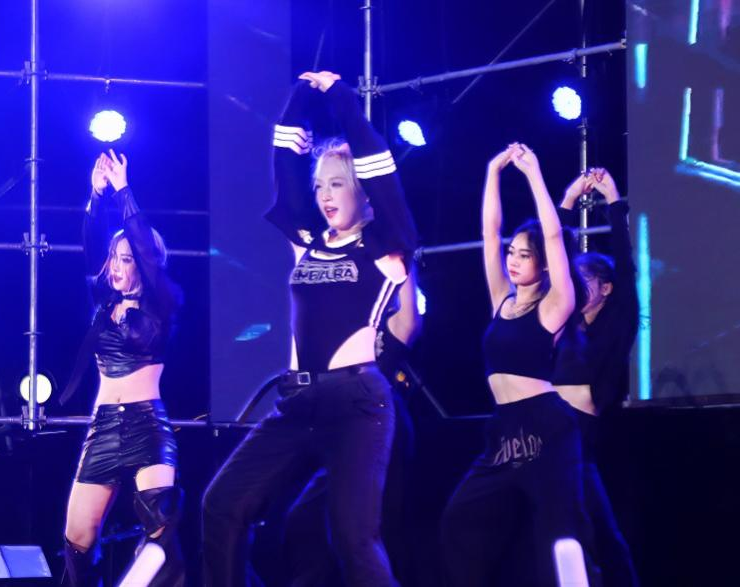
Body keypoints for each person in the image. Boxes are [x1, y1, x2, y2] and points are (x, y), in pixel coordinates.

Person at [201, 70, 417, 587]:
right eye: (320, 185)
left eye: (337, 183)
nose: (324, 195)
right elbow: (285, 166)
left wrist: (341, 99)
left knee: (353, 538)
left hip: (357, 405)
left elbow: (382, 172)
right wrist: (298, 100)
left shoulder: (386, 245)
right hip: (297, 403)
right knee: (222, 504)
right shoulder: (308, 242)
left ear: (361, 190)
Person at [440, 143, 598, 586]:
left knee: (562, 540)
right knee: (459, 518)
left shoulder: (554, 305)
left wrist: (533, 174)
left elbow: (554, 236)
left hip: (547, 429)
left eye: (523, 255)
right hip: (503, 431)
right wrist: (493, 171)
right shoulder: (501, 300)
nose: (512, 259)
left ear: (544, 265)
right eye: (513, 253)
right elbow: (490, 234)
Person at [61, 151, 184, 587]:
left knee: (160, 527)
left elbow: (144, 247)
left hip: (147, 426)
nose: (116, 266)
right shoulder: (104, 301)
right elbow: (91, 244)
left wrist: (123, 192)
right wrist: (97, 196)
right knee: (77, 538)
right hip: (103, 429)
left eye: (126, 259)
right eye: (114, 258)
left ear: (144, 264)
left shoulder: (162, 302)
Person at [283, 271, 422, 587]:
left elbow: (410, 320)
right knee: (307, 519)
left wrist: (404, 258)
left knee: (370, 529)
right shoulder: (341, 326)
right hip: (343, 433)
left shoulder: (389, 326)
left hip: (383, 429)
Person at [553, 167, 640, 587]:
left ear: (606, 288)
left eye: (585, 280)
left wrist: (614, 202)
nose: (576, 286)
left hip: (582, 435)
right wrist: (568, 201)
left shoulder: (618, 322)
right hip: (547, 428)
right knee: (559, 529)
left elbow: (626, 266)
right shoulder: (564, 323)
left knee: (598, 532)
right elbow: (556, 256)